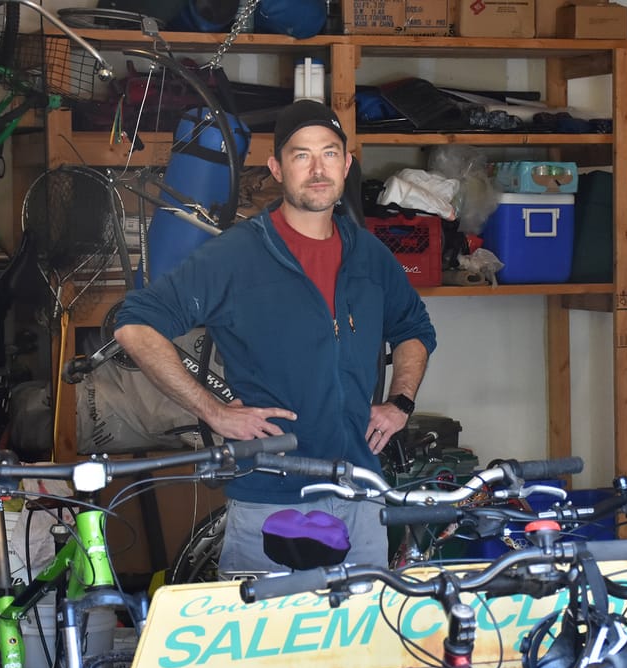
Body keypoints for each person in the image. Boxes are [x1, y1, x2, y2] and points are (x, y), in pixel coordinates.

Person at [113, 99, 437, 573]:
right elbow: (135, 324)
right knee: (267, 623)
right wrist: (213, 411)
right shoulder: (235, 256)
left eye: (329, 153)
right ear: (277, 168)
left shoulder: (368, 255)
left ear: (346, 165)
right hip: (273, 500)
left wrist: (400, 402)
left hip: (361, 493)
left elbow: (414, 328)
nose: (318, 169)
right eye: (301, 155)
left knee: (365, 622)